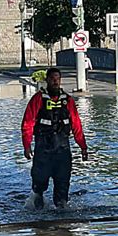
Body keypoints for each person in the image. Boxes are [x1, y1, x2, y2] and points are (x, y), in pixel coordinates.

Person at [21, 67, 88, 209]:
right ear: (47, 80)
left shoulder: (68, 101)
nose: (55, 82)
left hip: (62, 149)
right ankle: (37, 210)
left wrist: (83, 147)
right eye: (52, 79)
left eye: (57, 79)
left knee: (63, 183)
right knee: (39, 182)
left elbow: (76, 125)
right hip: (43, 148)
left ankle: (62, 217)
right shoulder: (38, 99)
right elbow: (28, 123)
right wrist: (27, 146)